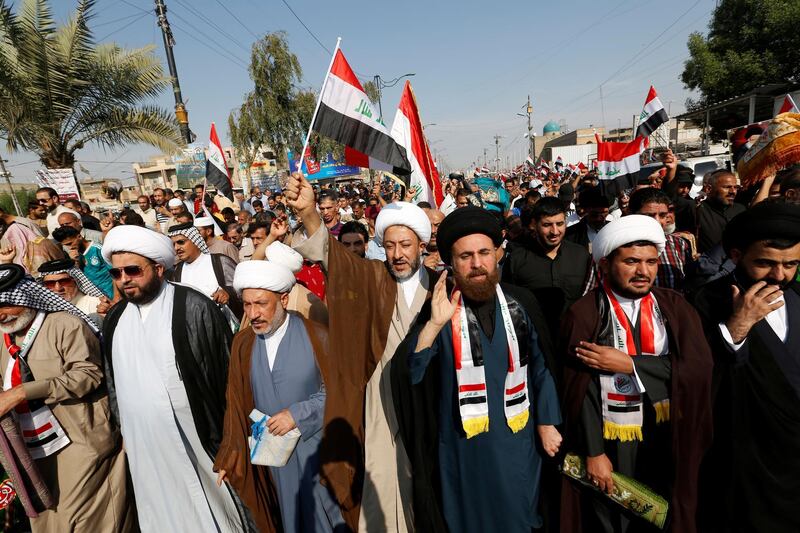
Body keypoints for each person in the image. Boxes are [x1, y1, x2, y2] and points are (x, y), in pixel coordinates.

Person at [394, 207, 562, 532]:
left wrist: (547, 421)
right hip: (463, 450)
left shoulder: (521, 303)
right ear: (451, 263)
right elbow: (410, 375)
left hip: (518, 442)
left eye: (484, 253)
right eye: (465, 256)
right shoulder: (439, 310)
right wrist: (434, 324)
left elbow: (541, 367)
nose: (476, 264)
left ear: (497, 255)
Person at [285, 172, 432, 532]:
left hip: (428, 399)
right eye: (391, 245)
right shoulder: (372, 276)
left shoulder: (440, 285)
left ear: (421, 246)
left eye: (406, 245)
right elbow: (331, 255)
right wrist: (308, 214)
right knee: (384, 479)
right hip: (382, 400)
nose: (397, 255)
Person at [559, 215, 713, 533]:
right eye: (631, 261)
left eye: (651, 262)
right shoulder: (586, 313)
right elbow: (579, 391)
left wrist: (631, 365)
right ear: (605, 264)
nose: (643, 272)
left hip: (667, 431)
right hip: (612, 439)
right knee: (614, 517)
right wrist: (594, 453)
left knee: (667, 512)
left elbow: (699, 368)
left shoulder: (674, 306)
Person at [100, 225, 249, 533]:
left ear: (158, 268)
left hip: (198, 437)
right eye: (116, 274)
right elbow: (113, 381)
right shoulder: (115, 319)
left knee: (215, 510)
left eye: (132, 270)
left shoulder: (193, 307)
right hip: (145, 445)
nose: (124, 279)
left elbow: (224, 378)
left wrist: (232, 440)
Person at [690, 201, 800, 532]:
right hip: (745, 456)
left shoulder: (797, 298)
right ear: (736, 256)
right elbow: (695, 377)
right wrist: (736, 328)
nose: (779, 275)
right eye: (766, 263)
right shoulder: (707, 301)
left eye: (791, 264)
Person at [0, 264, 135, 532]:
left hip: (81, 443)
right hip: (30, 449)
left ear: (25, 296)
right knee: (47, 521)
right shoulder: (3, 337)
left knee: (89, 522)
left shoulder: (65, 325)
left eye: (7, 305)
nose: (1, 314)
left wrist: (23, 392)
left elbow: (88, 376)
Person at [214, 260, 343, 533]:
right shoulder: (243, 343)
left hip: (315, 452)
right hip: (270, 459)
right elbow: (235, 402)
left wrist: (297, 415)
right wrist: (231, 453)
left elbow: (340, 392)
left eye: (261, 303)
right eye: (247, 305)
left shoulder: (317, 336)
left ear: (283, 299)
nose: (253, 313)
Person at [504, 197, 592, 345]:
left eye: (560, 224)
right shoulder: (516, 260)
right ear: (534, 224)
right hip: (532, 344)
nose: (555, 231)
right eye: (547, 225)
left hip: (576, 343)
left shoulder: (581, 256)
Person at [167, 222, 240, 318]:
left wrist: (227, 293)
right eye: (173, 244)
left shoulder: (219, 261)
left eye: (181, 242)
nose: (176, 248)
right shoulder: (177, 271)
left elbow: (241, 290)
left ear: (195, 240)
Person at [629, 188, 692, 291]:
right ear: (631, 214)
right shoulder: (615, 247)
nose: (657, 221)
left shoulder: (679, 244)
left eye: (662, 215)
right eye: (649, 216)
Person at [51, 226, 114, 298]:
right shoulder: (76, 254)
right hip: (95, 295)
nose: (70, 247)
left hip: (111, 291)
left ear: (79, 237)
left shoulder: (98, 249)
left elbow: (115, 271)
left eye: (70, 243)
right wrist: (74, 262)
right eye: (66, 245)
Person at [38, 258, 106, 318]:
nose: (58, 288)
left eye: (64, 281)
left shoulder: (95, 304)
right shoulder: (43, 312)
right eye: (50, 283)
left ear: (76, 280)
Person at [696, 170, 745, 253]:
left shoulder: (740, 209)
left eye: (736, 187)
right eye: (727, 187)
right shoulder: (697, 211)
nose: (733, 191)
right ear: (708, 189)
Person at [565, 187, 611, 253]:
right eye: (594, 214)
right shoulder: (570, 235)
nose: (599, 218)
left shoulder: (614, 230)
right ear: (586, 210)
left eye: (603, 213)